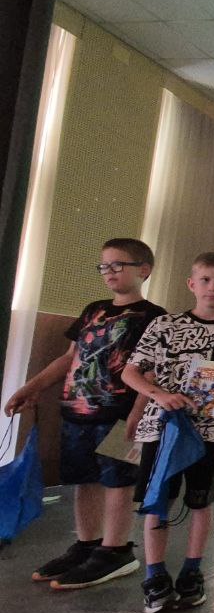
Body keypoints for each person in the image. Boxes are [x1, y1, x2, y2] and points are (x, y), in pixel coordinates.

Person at [5, 238, 164, 589]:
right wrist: (32, 387)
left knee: (118, 481)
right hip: (78, 412)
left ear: (144, 270)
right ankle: (87, 543)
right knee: (84, 479)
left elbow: (152, 371)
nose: (109, 272)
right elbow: (69, 358)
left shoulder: (155, 318)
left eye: (118, 265)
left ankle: (116, 549)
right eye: (104, 265)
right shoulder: (93, 310)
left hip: (122, 415)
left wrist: (139, 412)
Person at [122, 251, 214, 613]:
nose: (212, 287)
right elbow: (131, 372)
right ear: (191, 284)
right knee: (159, 501)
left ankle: (192, 571)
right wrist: (158, 396)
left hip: (211, 432)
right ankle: (155, 575)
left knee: (201, 501)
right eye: (205, 280)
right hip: (163, 430)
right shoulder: (164, 326)